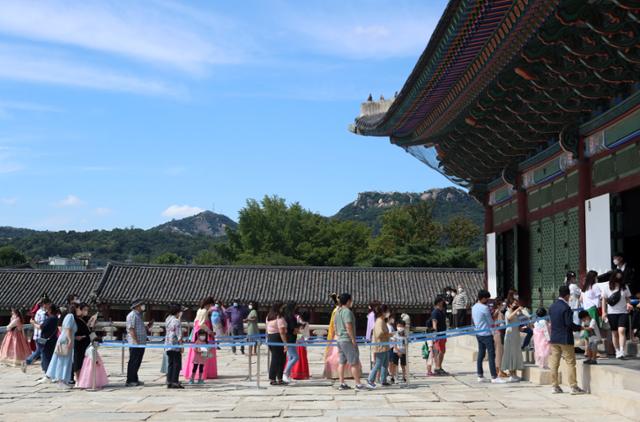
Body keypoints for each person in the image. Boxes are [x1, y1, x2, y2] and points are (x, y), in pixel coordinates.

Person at [549, 285, 585, 394]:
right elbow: (569, 324)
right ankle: (573, 386)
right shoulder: (566, 308)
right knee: (570, 363)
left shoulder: (552, 306)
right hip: (565, 338)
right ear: (567, 295)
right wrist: (580, 327)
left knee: (554, 363)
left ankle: (554, 386)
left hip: (554, 338)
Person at [335, 293, 368, 390]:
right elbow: (348, 325)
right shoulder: (347, 312)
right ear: (348, 301)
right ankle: (358, 384)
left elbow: (335, 326)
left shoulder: (338, 312)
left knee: (342, 362)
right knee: (354, 362)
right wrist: (353, 339)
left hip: (340, 339)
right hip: (347, 339)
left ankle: (342, 383)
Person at [472, 290, 506, 384]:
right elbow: (490, 322)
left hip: (478, 333)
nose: (487, 300)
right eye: (486, 298)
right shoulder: (484, 308)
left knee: (481, 354)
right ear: (483, 298)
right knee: (491, 355)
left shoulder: (474, 307)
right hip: (486, 334)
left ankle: (480, 375)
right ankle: (494, 377)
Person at [601, 270, 633, 359]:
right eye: (617, 278)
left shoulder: (624, 287)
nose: (618, 280)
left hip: (623, 312)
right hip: (612, 313)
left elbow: (627, 298)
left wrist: (628, 304)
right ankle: (617, 351)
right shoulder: (607, 287)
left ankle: (622, 350)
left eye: (620, 278)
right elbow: (604, 300)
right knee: (614, 333)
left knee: (622, 330)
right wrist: (604, 312)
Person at [183, 297, 217, 380]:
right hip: (203, 335)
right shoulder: (204, 311)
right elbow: (202, 324)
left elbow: (196, 323)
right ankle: (202, 373)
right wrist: (210, 332)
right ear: (209, 304)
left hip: (197, 334)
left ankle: (194, 372)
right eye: (211, 305)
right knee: (204, 355)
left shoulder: (199, 310)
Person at [46, 304, 79, 388]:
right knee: (63, 360)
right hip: (65, 340)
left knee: (64, 360)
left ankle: (63, 379)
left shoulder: (69, 316)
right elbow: (67, 329)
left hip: (65, 339)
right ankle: (61, 380)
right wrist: (70, 339)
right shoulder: (70, 316)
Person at [323, 293, 350, 379]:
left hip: (338, 335)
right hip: (342, 334)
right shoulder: (342, 311)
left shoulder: (336, 310)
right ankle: (345, 373)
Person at [125, 299, 152, 387]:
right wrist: (135, 341)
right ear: (137, 306)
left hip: (141, 342)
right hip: (135, 343)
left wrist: (148, 326)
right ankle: (130, 380)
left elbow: (140, 328)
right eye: (141, 305)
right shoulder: (132, 315)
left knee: (138, 361)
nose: (143, 306)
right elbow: (131, 329)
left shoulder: (139, 315)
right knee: (133, 361)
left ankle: (135, 378)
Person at [367, 304, 392, 389]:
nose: (388, 313)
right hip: (380, 346)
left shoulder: (382, 320)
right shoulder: (379, 321)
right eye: (387, 311)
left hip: (385, 346)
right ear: (383, 312)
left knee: (385, 364)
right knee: (378, 364)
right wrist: (389, 334)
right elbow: (379, 334)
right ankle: (370, 379)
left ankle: (383, 380)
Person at [24, 298, 51, 370]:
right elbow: (42, 325)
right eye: (48, 304)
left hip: (38, 335)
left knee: (41, 351)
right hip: (40, 335)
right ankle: (28, 361)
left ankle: (44, 367)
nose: (49, 306)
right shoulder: (42, 313)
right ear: (45, 304)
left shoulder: (39, 312)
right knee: (41, 351)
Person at [501, 299, 524, 382]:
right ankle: (511, 374)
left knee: (515, 353)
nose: (516, 305)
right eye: (514, 303)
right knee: (510, 353)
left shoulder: (516, 313)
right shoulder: (508, 312)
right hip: (510, 335)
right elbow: (509, 318)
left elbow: (517, 323)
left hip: (516, 335)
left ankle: (514, 374)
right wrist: (517, 309)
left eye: (516, 303)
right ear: (510, 305)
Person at [266, 303, 288, 385]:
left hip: (270, 337)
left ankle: (279, 378)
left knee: (278, 359)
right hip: (277, 338)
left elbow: (266, 328)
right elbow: (282, 331)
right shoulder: (279, 317)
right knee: (278, 359)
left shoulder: (268, 316)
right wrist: (285, 343)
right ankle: (273, 378)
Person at [164, 302, 184, 389]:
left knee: (171, 363)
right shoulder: (176, 321)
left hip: (168, 344)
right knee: (177, 364)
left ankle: (169, 380)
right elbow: (179, 335)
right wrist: (181, 346)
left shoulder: (167, 319)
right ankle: (175, 381)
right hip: (175, 345)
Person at [38, 304, 59, 379]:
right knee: (49, 356)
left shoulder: (50, 318)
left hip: (47, 340)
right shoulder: (56, 318)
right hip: (53, 339)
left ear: (50, 310)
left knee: (46, 356)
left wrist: (33, 323)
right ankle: (50, 373)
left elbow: (42, 327)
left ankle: (48, 374)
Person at [73, 303, 92, 382]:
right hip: (79, 343)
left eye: (87, 310)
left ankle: (82, 378)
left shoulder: (84, 319)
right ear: (79, 310)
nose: (86, 312)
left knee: (83, 361)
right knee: (78, 361)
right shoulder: (75, 319)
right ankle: (77, 378)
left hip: (85, 343)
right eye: (84, 310)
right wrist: (75, 337)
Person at [282, 302, 300, 383]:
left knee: (290, 357)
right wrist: (299, 329)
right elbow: (294, 330)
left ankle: (287, 375)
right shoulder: (292, 317)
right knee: (295, 357)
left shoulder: (285, 316)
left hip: (288, 338)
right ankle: (285, 373)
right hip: (291, 339)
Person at [291, 309, 310, 380]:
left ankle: (293, 373)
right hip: (301, 342)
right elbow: (307, 335)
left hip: (295, 341)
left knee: (293, 357)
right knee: (302, 358)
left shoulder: (296, 319)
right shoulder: (306, 323)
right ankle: (302, 374)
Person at [431, 297, 448, 376]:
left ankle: (440, 366)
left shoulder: (441, 311)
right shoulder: (435, 312)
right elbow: (434, 323)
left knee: (443, 351)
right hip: (438, 335)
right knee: (439, 351)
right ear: (438, 302)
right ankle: (437, 367)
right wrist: (435, 334)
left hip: (443, 334)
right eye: (442, 301)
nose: (443, 302)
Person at [491, 297, 508, 378]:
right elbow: (501, 325)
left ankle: (498, 370)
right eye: (502, 304)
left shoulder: (494, 312)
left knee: (497, 353)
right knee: (499, 353)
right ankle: (500, 371)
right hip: (499, 334)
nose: (503, 306)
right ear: (498, 305)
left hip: (494, 333)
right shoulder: (500, 313)